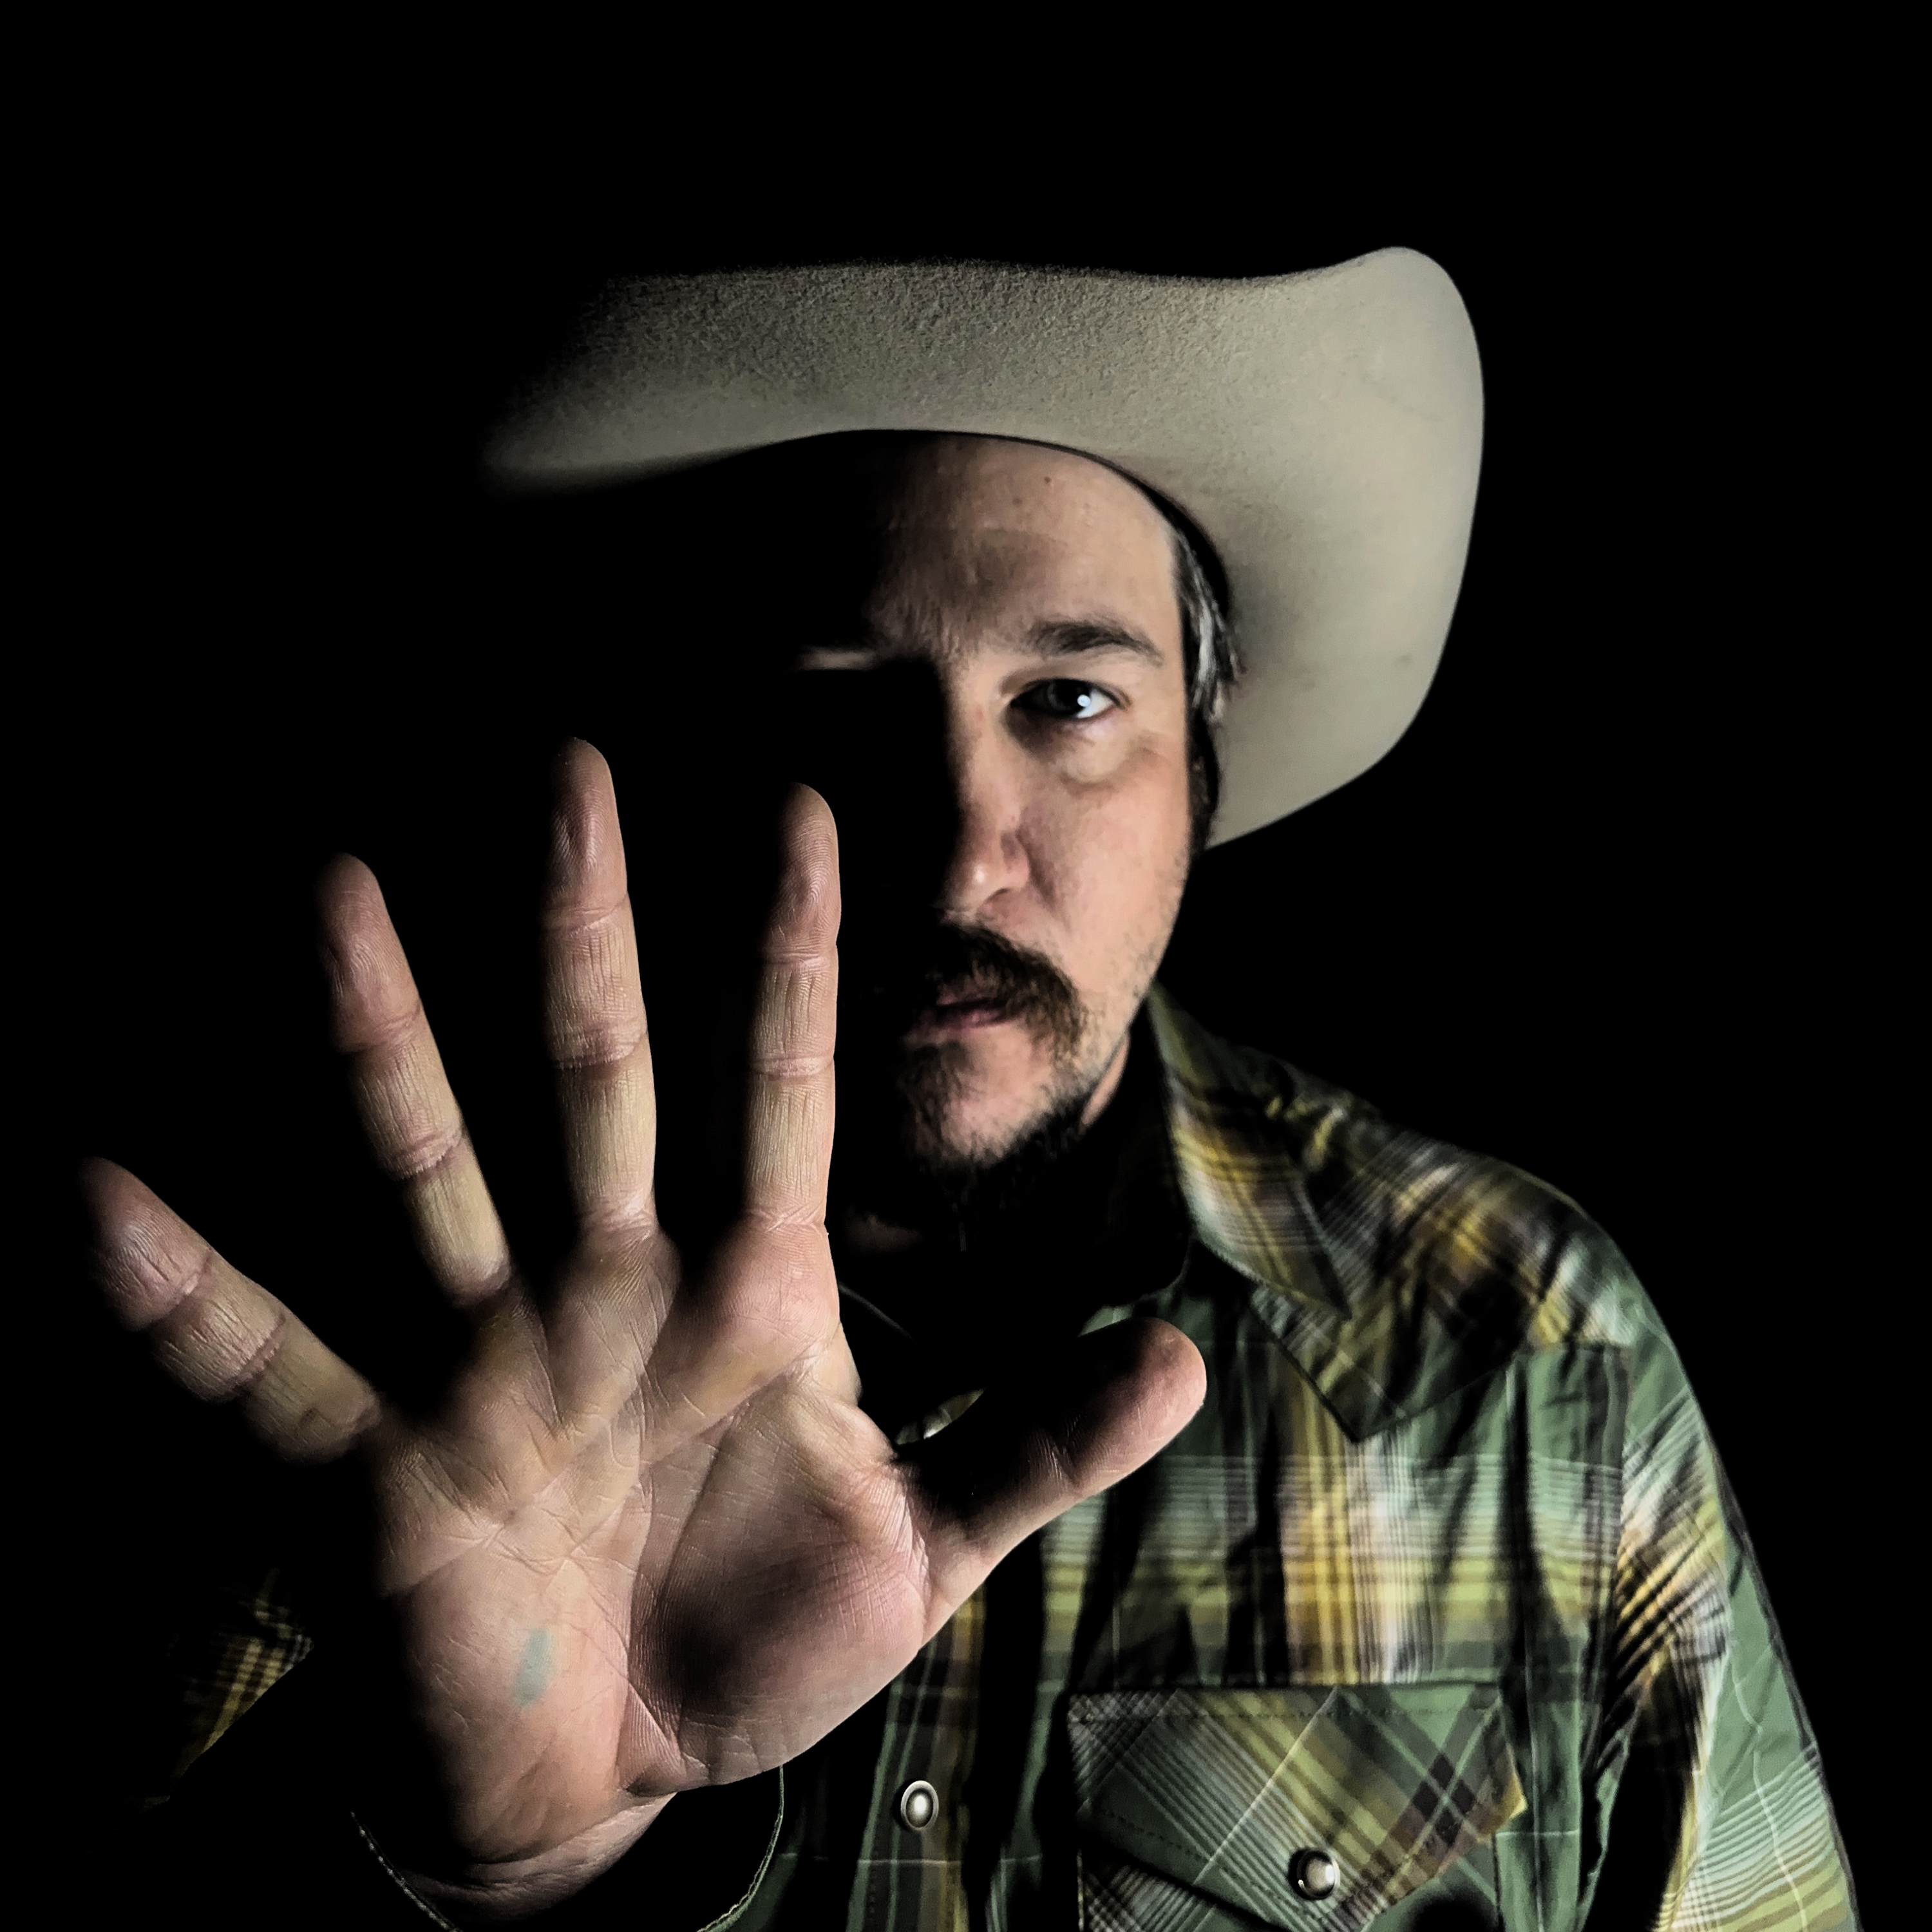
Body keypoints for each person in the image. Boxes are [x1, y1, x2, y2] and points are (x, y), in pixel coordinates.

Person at [86, 256, 1857, 1928]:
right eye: (838, 707)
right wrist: (513, 1879)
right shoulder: (389, 1373)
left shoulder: (1527, 1360)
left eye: (1069, 699)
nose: (952, 849)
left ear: (1203, 761)